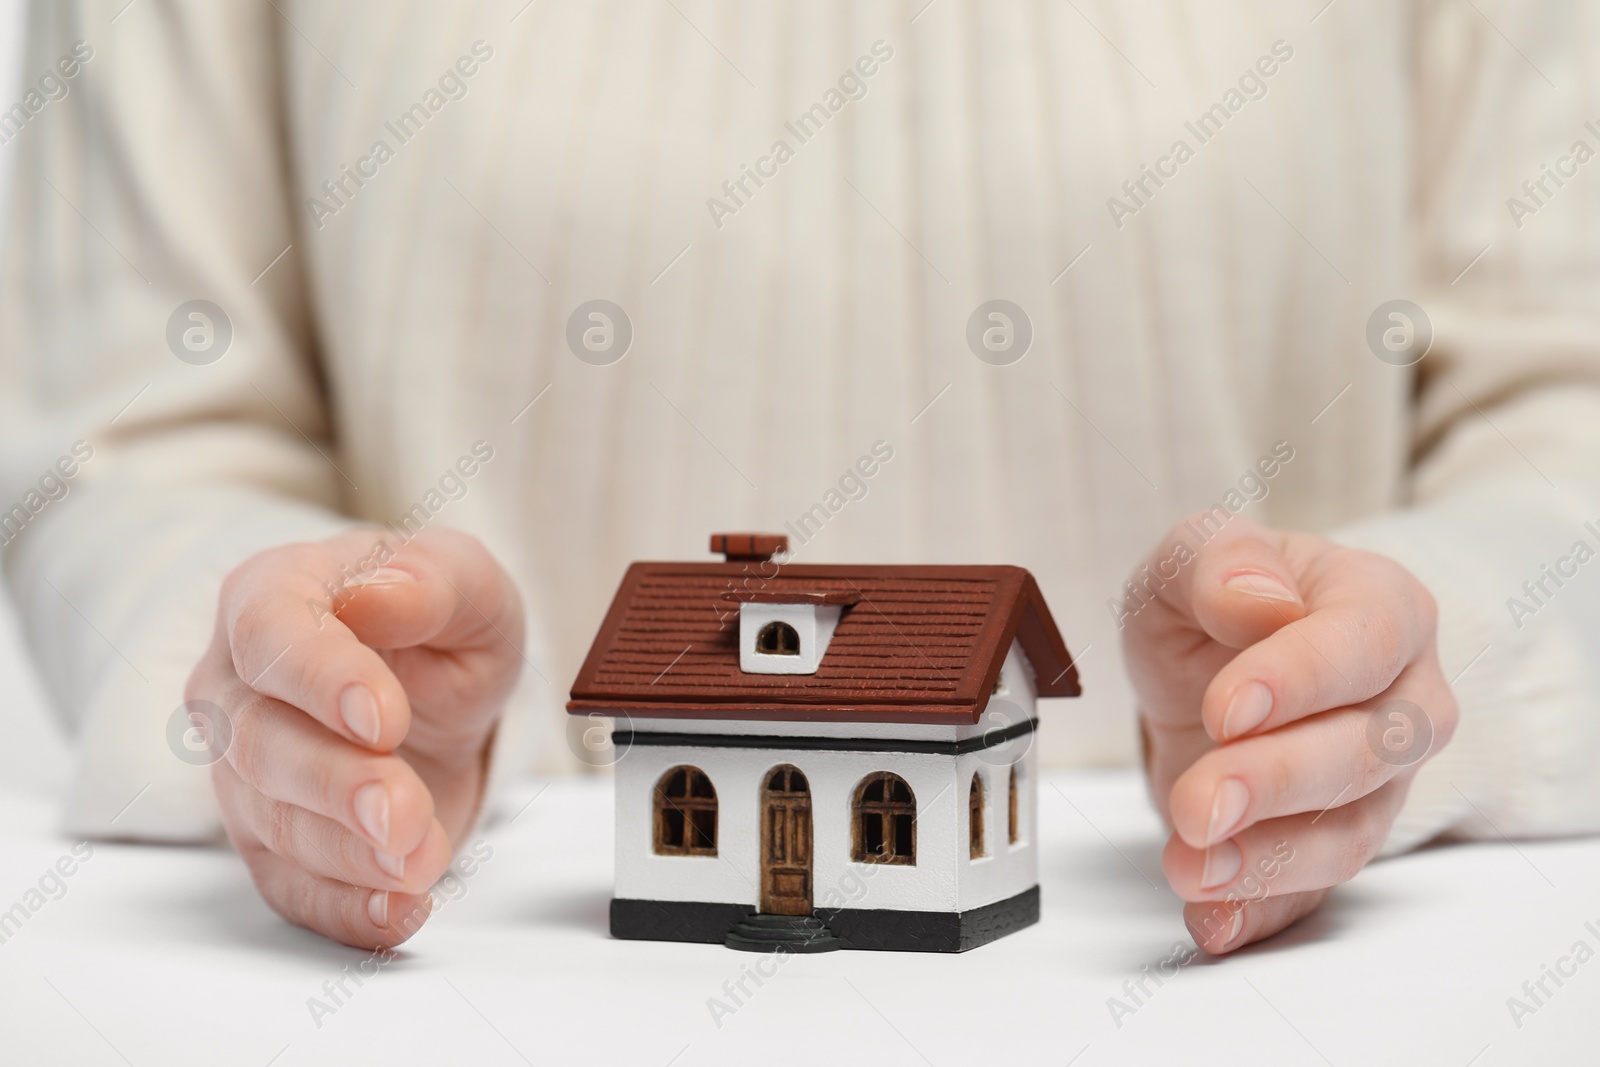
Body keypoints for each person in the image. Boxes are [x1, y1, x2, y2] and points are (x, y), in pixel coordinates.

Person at [2, 0, 1597, 953]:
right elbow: (128, 431)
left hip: (1300, 985)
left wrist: (1379, 676)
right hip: (478, 988)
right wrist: (300, 672)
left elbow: (1563, 416)